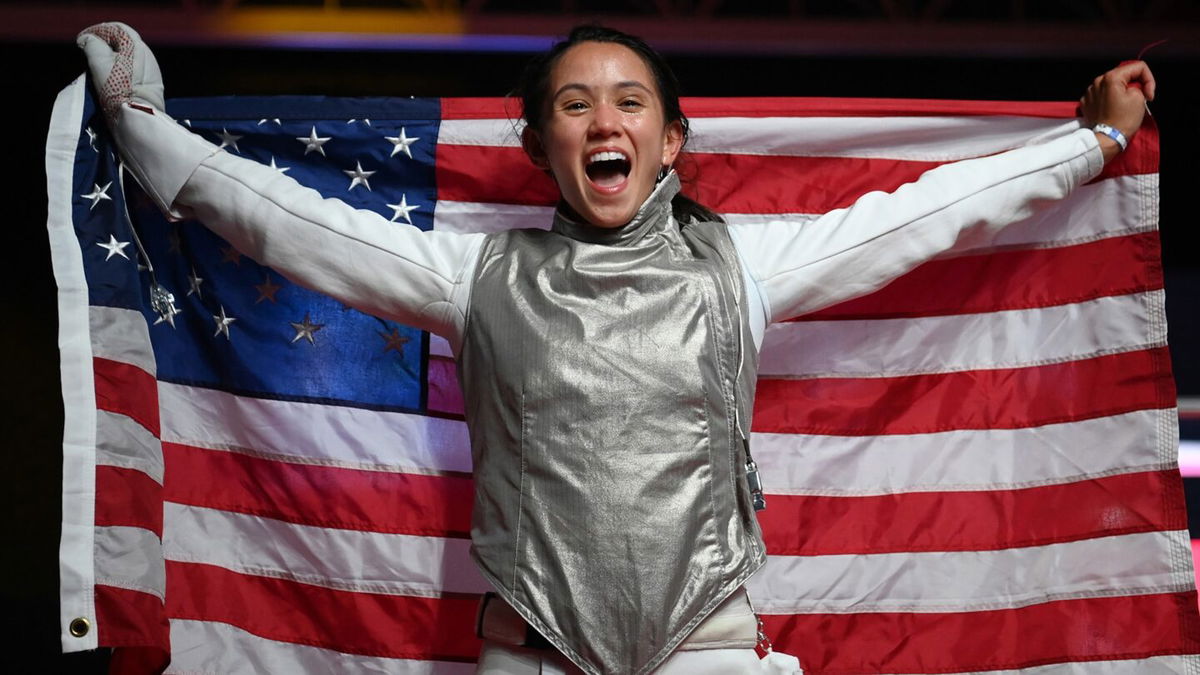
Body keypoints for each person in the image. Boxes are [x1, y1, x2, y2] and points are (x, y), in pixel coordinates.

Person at [77, 21, 1154, 675]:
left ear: (668, 140)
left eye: (630, 102)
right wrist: (145, 130)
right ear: (544, 144)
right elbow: (290, 222)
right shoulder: (473, 276)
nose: (605, 120)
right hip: (529, 653)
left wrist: (1091, 139)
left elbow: (930, 212)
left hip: (710, 650)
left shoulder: (747, 265)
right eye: (576, 104)